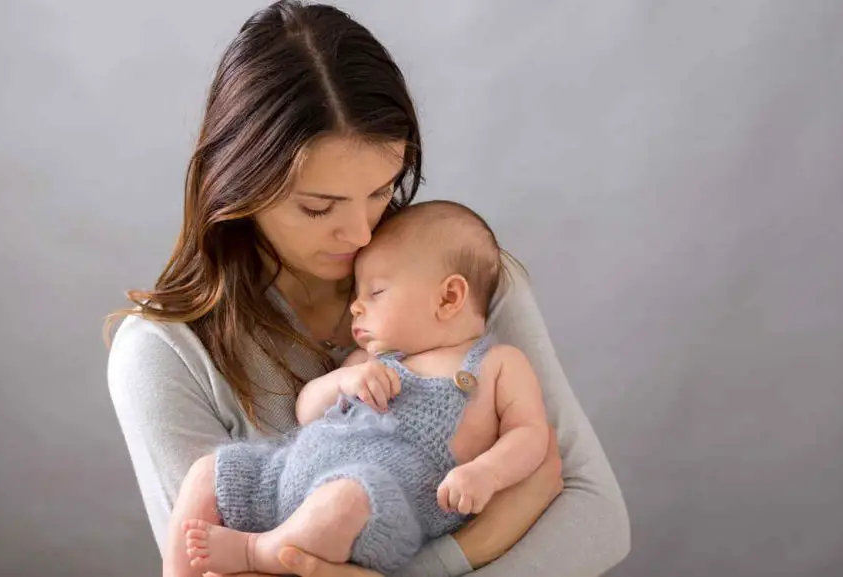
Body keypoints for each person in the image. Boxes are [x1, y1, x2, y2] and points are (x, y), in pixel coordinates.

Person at [106, 2, 630, 576]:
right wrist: (478, 546)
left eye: (381, 191)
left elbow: (598, 521)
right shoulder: (164, 353)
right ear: (237, 187)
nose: (360, 234)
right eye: (318, 207)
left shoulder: (462, 281)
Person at [164, 201, 551, 577]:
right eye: (356, 294)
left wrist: (486, 473)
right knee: (209, 471)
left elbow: (530, 433)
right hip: (285, 477)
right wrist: (341, 381)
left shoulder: (496, 364)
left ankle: (257, 551)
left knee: (346, 498)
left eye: (375, 293)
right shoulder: (370, 358)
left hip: (377, 507)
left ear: (449, 298)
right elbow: (307, 411)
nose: (356, 307)